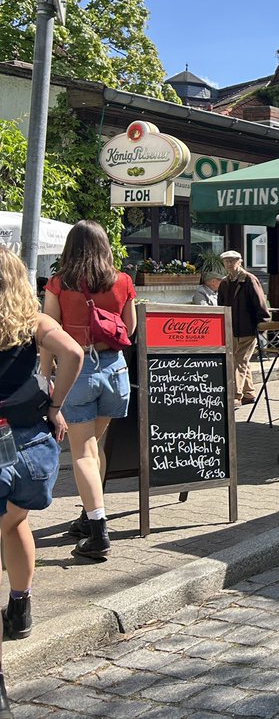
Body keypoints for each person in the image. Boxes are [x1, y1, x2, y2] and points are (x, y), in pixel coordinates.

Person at [0, 247, 82, 712]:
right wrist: (55, 404)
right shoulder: (33, 322)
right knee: (15, 523)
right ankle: (21, 605)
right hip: (33, 446)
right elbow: (73, 352)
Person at [42, 220, 136, 561]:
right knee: (95, 446)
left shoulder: (58, 284)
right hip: (115, 370)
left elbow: (48, 334)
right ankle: (88, 513)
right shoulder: (122, 281)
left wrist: (45, 376)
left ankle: (98, 532)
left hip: (77, 371)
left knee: (81, 452)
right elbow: (130, 328)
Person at [217, 250, 269, 406]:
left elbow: (260, 302)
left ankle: (235, 396)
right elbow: (221, 306)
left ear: (240, 262)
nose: (229, 264)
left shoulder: (249, 279)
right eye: (226, 261)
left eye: (232, 261)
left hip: (248, 328)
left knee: (238, 360)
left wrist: (262, 324)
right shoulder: (224, 282)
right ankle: (249, 393)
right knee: (240, 360)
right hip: (231, 329)